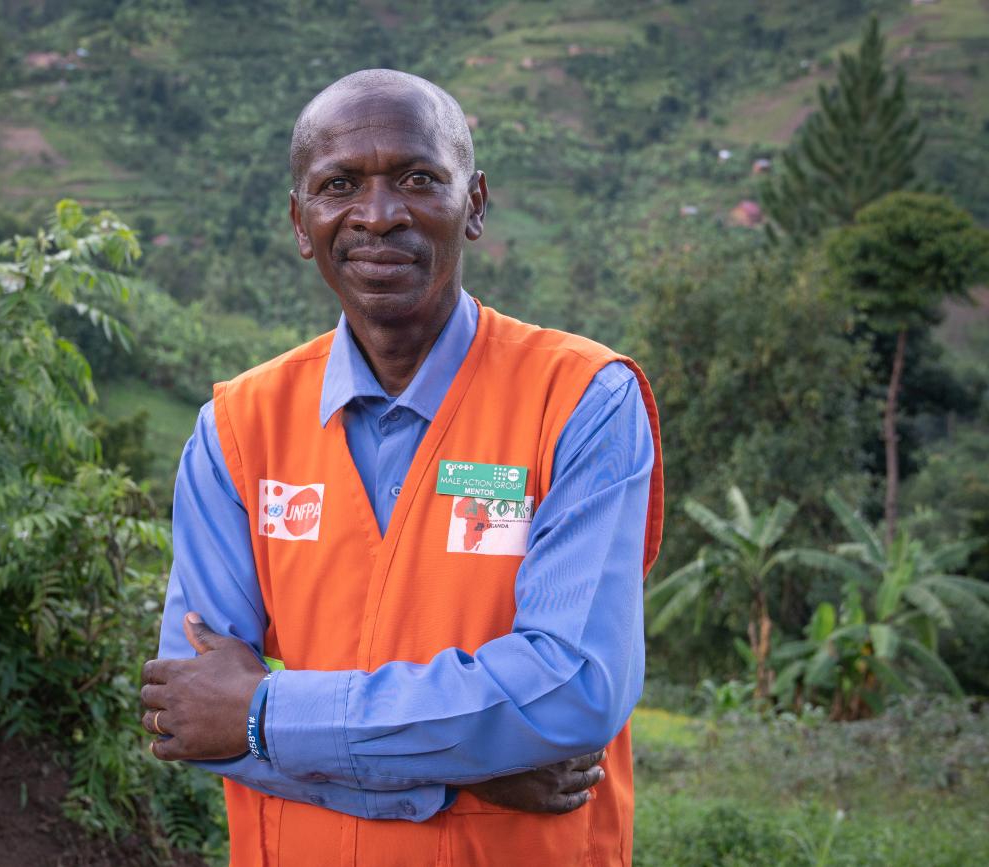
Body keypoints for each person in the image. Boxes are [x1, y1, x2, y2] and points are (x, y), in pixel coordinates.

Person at [139, 69, 664, 866]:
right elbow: (196, 712)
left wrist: (266, 713)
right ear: (299, 219)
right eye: (339, 185)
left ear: (475, 204)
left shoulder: (583, 401)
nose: (378, 215)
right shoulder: (236, 430)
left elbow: (572, 687)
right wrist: (458, 776)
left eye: (418, 179)